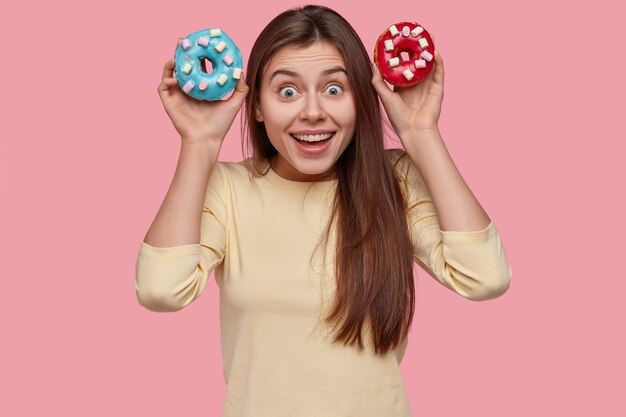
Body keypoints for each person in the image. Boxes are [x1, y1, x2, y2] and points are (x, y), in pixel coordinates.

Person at [134, 4, 512, 416]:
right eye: (287, 91)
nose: (313, 112)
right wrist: (200, 143)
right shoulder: (228, 189)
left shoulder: (394, 182)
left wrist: (420, 132)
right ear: (257, 106)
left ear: (361, 99)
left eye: (334, 89)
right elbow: (160, 290)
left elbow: (484, 278)